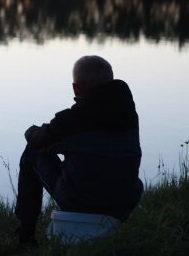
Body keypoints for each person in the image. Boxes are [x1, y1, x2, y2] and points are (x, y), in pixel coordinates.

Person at [15, 55, 143, 244]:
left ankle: (25, 238)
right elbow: (98, 143)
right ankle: (110, 229)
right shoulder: (129, 114)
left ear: (75, 87)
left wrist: (33, 132)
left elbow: (37, 140)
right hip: (124, 202)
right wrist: (64, 145)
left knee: (32, 153)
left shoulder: (73, 119)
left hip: (80, 201)